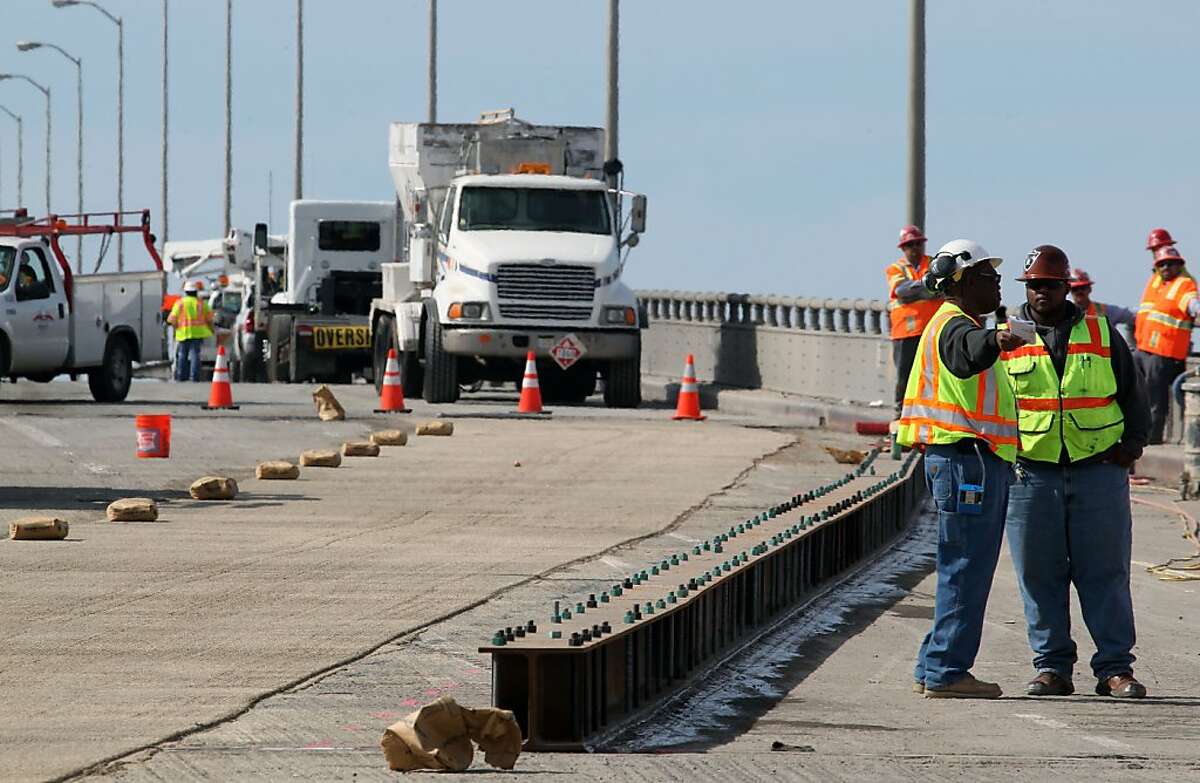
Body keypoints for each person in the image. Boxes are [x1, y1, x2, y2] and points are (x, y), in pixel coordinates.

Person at [1001, 245, 1150, 700]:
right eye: (1033, 285)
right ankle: (1052, 669)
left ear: (1067, 287)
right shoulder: (1006, 338)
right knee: (1038, 574)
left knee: (1104, 573)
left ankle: (1114, 669)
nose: (1040, 292)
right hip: (1031, 474)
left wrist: (1132, 446)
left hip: (1098, 471)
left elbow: (1133, 392)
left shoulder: (1102, 332)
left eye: (1049, 284)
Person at [897, 239, 1025, 699]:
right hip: (967, 459)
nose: (997, 285)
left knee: (962, 563)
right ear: (964, 281)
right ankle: (948, 671)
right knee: (967, 564)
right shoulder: (955, 325)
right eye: (989, 277)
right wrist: (996, 338)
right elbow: (967, 353)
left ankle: (933, 663)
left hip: (966, 458)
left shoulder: (953, 322)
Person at [1134, 244, 1198, 443]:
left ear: (1179, 265)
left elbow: (1192, 304)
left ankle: (1152, 438)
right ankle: (1134, 433)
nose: (1165, 267)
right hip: (1143, 349)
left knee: (1155, 397)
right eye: (1161, 264)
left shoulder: (1184, 284)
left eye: (1170, 264)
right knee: (1132, 388)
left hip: (1165, 352)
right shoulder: (1157, 284)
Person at [886, 225, 942, 414]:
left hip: (933, 330)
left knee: (933, 374)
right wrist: (926, 289)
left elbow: (941, 288)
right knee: (906, 375)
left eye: (918, 244)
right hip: (905, 332)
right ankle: (901, 411)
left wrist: (917, 291)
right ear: (903, 248)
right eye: (910, 245)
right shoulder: (896, 269)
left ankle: (928, 410)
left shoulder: (934, 263)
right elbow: (901, 292)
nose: (915, 248)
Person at [1069, 268, 1135, 343]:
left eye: (1082, 288)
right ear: (1069, 290)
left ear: (1089, 289)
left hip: (1103, 354)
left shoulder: (1103, 311)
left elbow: (1135, 316)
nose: (1079, 292)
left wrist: (1131, 346)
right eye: (1075, 289)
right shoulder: (1066, 314)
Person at [167, 280, 214, 382]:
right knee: (195, 355)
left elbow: (171, 319)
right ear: (196, 292)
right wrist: (212, 330)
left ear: (186, 291)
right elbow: (210, 319)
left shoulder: (180, 303)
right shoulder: (202, 303)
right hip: (197, 334)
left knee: (182, 355)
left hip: (183, 334)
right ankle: (194, 377)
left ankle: (181, 377)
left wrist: (176, 329)